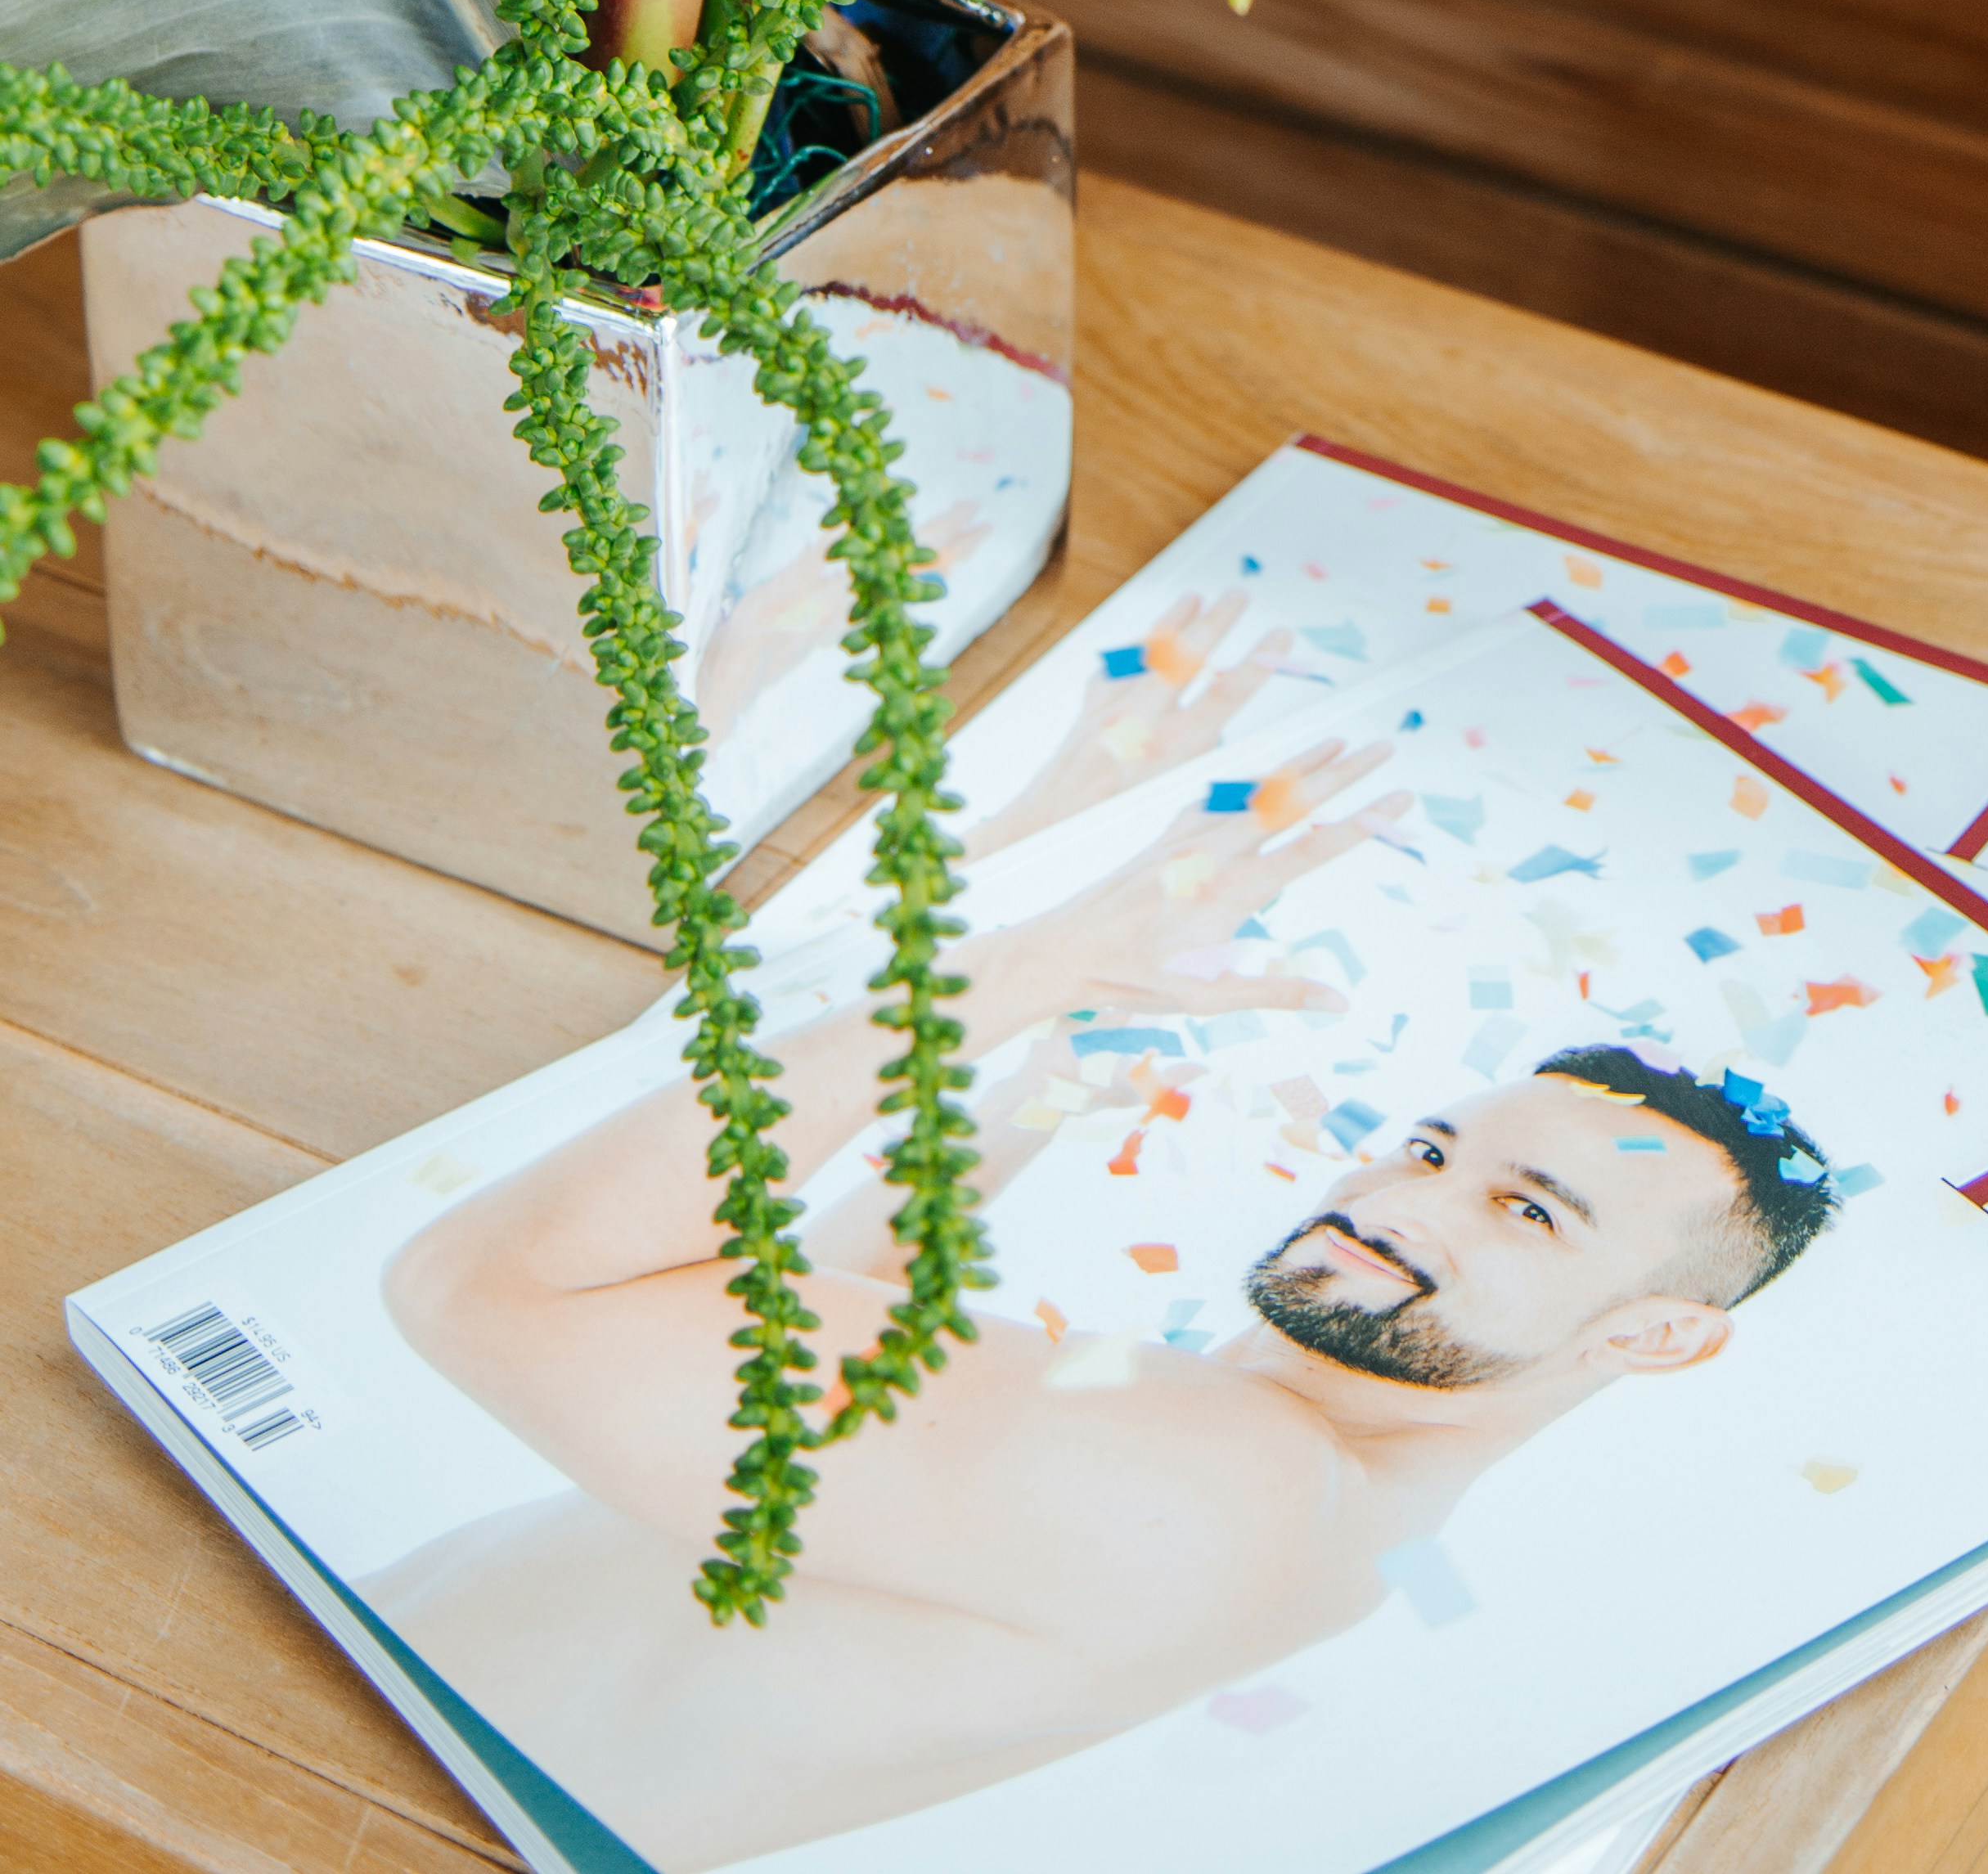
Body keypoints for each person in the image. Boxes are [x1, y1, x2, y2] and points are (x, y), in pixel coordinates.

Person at [374, 695, 1837, 1872]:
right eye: (1429, 1150)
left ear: (1656, 1335)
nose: (1399, 1201)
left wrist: (1020, 970)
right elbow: (815, 1346)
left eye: (1526, 1210)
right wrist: (1051, 1070)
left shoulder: (1222, 1471)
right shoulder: (1322, 1520)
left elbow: (489, 1290)